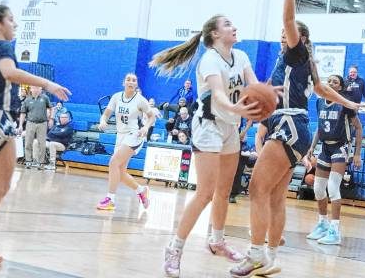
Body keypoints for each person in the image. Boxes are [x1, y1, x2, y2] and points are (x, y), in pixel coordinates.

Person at [230, 0, 360, 277]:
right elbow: (322, 91)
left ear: (299, 39)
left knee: (257, 190)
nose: (282, 34)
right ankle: (271, 257)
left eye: (288, 33)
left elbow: (289, 18)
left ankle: (257, 253)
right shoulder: (303, 64)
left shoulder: (295, 52)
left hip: (288, 127)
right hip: (296, 129)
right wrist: (350, 103)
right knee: (275, 196)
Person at [154, 14, 271, 278]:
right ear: (215, 34)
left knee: (224, 190)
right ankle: (175, 248)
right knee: (205, 192)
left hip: (230, 126)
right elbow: (217, 93)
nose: (235, 27)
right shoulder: (209, 59)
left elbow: (254, 85)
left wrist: (269, 94)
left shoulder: (240, 56)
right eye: (228, 24)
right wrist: (236, 107)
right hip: (208, 126)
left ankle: (217, 241)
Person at [0, 5, 70, 265]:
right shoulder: (1, 47)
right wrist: (47, 83)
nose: (15, 25)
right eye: (11, 19)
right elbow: (10, 73)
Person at [305, 74, 363, 245]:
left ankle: (335, 230)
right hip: (325, 148)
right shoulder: (319, 102)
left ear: (340, 87)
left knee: (333, 187)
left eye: (335, 82)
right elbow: (319, 128)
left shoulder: (344, 103)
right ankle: (323, 223)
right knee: (318, 188)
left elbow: (358, 128)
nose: (330, 83)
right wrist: (311, 147)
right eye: (328, 81)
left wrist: (357, 154)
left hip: (340, 146)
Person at [96, 73, 155, 212]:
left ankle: (110, 199)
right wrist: (103, 121)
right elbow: (106, 114)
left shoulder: (140, 100)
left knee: (113, 163)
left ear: (136, 84)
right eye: (128, 79)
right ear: (124, 82)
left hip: (134, 135)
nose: (131, 82)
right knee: (120, 172)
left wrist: (146, 128)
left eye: (134, 80)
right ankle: (141, 190)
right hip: (121, 136)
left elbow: (151, 117)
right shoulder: (116, 97)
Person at [18, 85, 53, 168]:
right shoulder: (27, 100)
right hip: (30, 123)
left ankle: (41, 163)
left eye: (38, 88)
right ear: (31, 89)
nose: (36, 89)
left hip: (42, 123)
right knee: (28, 143)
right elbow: (23, 113)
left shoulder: (45, 98)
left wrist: (51, 119)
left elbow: (51, 108)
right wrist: (20, 125)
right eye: (34, 88)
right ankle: (28, 162)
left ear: (41, 89)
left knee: (42, 144)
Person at [230, 121, 258, 204]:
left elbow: (250, 119)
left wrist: (244, 132)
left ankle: (232, 194)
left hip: (240, 139)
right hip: (226, 135)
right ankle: (218, 192)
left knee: (238, 169)